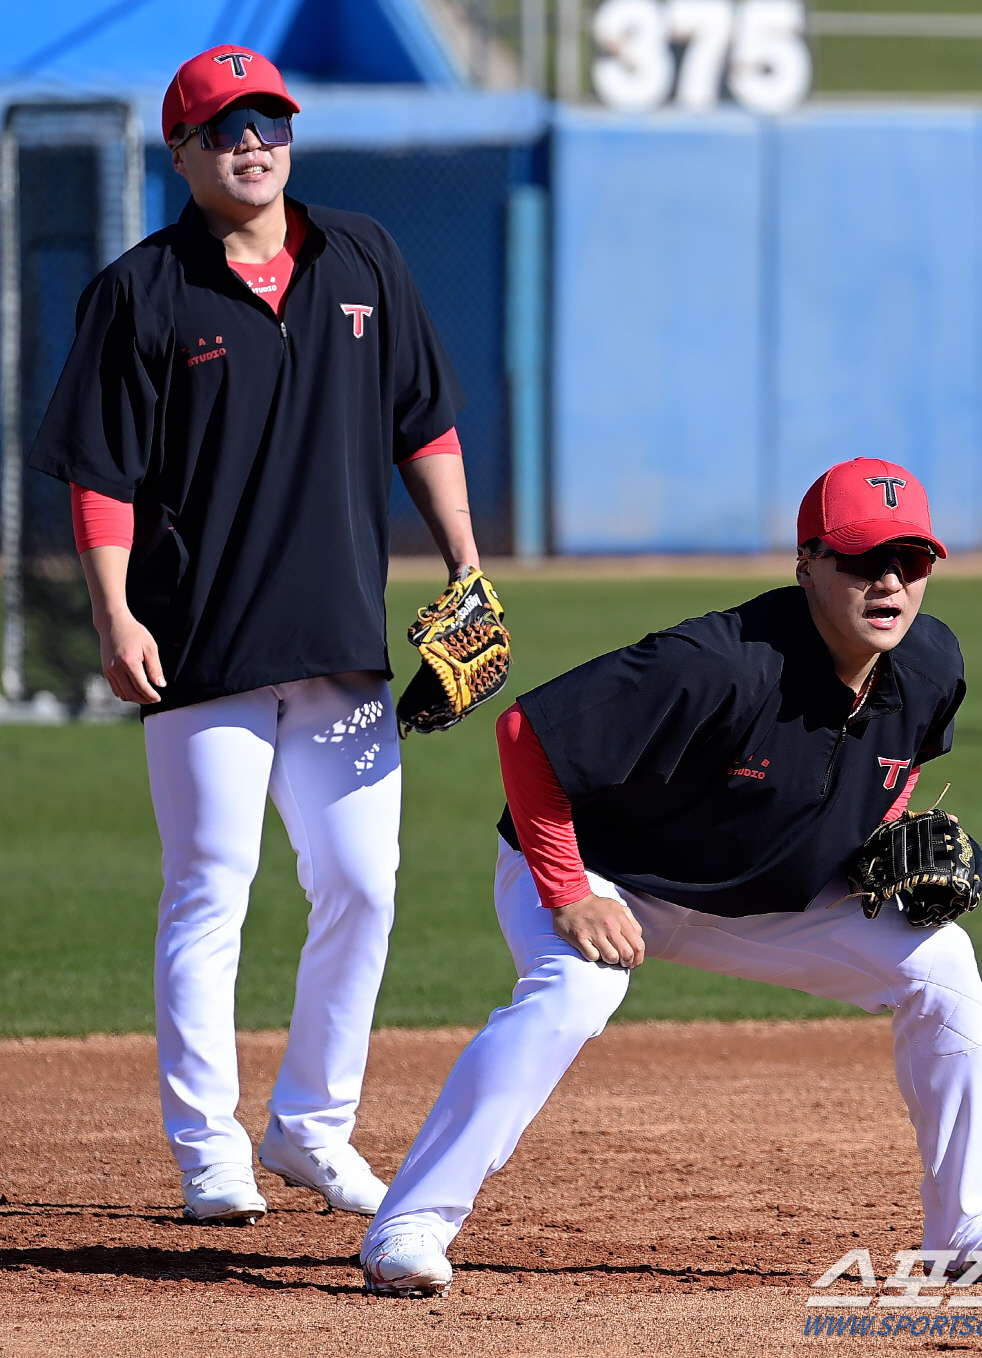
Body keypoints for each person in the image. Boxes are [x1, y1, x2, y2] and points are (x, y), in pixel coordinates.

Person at [357, 457, 982, 1297]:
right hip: (605, 874)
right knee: (573, 994)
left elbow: (899, 766)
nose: (889, 581)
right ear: (807, 563)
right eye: (860, 559)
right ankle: (410, 1222)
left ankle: (968, 1226)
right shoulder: (717, 662)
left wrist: (881, 838)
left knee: (941, 964)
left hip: (764, 898)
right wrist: (568, 891)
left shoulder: (930, 665)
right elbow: (527, 733)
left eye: (910, 561)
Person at [27, 45, 483, 1226]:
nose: (253, 141)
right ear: (181, 153)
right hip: (201, 647)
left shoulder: (364, 254)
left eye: (269, 119)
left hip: (342, 643)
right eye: (225, 126)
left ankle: (313, 1123)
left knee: (364, 882)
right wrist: (114, 610)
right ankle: (206, 1146)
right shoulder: (140, 291)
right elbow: (102, 476)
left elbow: (422, 423)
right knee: (209, 889)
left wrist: (466, 562)